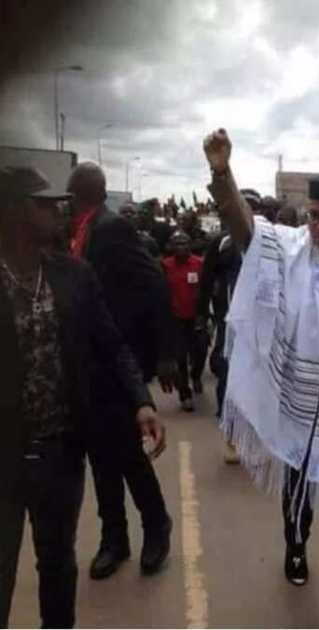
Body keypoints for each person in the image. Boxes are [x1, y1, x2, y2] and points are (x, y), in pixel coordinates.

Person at [204, 128, 319, 629]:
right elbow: (245, 229)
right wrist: (223, 177)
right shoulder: (287, 249)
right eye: (316, 216)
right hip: (300, 401)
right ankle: (295, 545)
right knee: (298, 494)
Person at [0, 166, 167, 629]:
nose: (59, 208)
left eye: (61, 200)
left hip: (60, 452)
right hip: (4, 457)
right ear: (13, 212)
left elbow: (110, 341)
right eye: (44, 203)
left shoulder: (73, 274)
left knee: (57, 567)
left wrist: (142, 400)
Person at [66, 162, 176, 581]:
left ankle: (156, 526)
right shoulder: (78, 231)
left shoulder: (111, 229)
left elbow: (155, 282)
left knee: (128, 454)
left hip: (115, 360)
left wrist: (165, 353)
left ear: (79, 193)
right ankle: (115, 539)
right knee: (100, 458)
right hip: (86, 365)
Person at [198, 214, 243, 464]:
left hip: (260, 324)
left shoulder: (266, 244)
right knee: (229, 375)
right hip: (230, 321)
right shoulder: (222, 243)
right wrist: (202, 315)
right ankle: (231, 436)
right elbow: (206, 281)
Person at [162, 231, 207, 412]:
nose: (181, 247)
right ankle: (185, 394)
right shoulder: (165, 266)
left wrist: (204, 315)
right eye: (177, 244)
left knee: (201, 351)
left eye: (185, 243)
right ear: (172, 247)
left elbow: (206, 289)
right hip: (176, 319)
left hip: (196, 317)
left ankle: (196, 375)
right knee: (180, 357)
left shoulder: (199, 264)